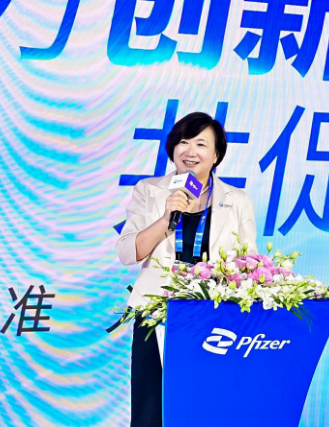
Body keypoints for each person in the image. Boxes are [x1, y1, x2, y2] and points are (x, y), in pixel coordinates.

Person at [116, 112, 258, 427]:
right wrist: (166, 219)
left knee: (206, 404)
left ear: (216, 155)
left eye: (201, 144)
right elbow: (127, 253)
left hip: (214, 316)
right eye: (183, 142)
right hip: (157, 312)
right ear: (172, 149)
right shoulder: (150, 190)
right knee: (152, 406)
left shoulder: (237, 200)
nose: (190, 151)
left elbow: (248, 262)